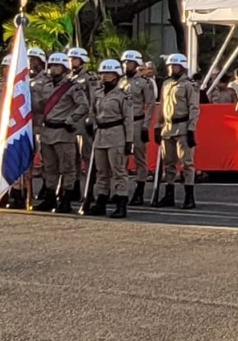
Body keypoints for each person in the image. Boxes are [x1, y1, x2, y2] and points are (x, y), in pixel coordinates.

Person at [34, 53, 91, 212]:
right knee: (49, 167)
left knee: (68, 168)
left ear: (64, 68)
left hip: (63, 132)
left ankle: (66, 198)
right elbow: (40, 106)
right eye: (51, 65)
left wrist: (71, 120)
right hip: (47, 132)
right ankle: (50, 197)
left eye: (57, 66)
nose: (54, 68)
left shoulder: (72, 86)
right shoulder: (46, 86)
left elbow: (84, 106)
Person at [84, 58, 138, 219]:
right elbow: (93, 112)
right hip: (100, 135)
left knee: (119, 171)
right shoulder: (98, 93)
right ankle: (101, 202)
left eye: (108, 73)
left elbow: (128, 120)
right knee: (102, 172)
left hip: (116, 135)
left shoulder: (123, 95)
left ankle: (121, 204)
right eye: (103, 73)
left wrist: (129, 141)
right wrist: (91, 125)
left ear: (116, 75)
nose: (105, 76)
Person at [153, 52, 200, 207]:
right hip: (167, 127)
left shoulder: (189, 85)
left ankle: (189, 196)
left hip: (182, 127)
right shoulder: (166, 84)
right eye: (170, 66)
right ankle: (169, 194)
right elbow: (162, 106)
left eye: (174, 66)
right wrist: (158, 126)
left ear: (182, 67)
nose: (171, 68)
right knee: (169, 163)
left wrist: (191, 129)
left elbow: (194, 108)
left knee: (187, 163)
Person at [119, 51, 155, 204]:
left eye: (130, 63)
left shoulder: (144, 83)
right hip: (121, 124)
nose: (127, 65)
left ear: (136, 64)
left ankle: (139, 191)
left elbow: (150, 104)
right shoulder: (120, 81)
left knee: (140, 158)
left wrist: (146, 126)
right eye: (125, 62)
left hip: (137, 122)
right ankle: (121, 191)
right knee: (121, 159)